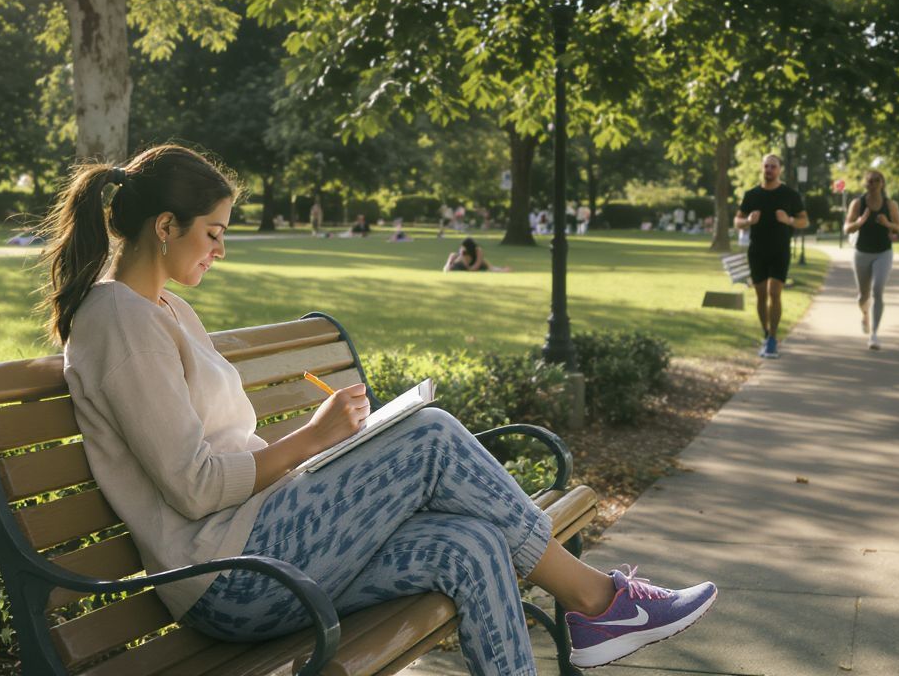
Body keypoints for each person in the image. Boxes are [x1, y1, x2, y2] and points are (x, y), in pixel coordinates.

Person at [39, 143, 717, 673]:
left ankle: (595, 610)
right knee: (428, 436)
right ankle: (596, 602)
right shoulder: (117, 321)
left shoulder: (165, 311)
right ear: (166, 226)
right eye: (212, 232)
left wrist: (335, 451)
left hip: (262, 542)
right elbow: (192, 488)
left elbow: (225, 453)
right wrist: (311, 440)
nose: (221, 248)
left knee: (471, 545)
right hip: (229, 580)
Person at [734, 154, 808, 359]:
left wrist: (789, 219)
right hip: (757, 251)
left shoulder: (790, 195)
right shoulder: (751, 195)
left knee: (774, 293)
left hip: (780, 251)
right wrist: (747, 220)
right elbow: (737, 221)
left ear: (780, 170)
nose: (769, 170)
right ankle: (766, 334)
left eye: (773, 167)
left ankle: (773, 339)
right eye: (766, 166)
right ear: (762, 168)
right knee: (761, 295)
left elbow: (804, 221)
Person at [843, 169, 899, 350]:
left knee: (878, 290)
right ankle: (865, 315)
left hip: (883, 253)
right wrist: (859, 223)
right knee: (863, 296)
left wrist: (888, 224)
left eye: (876, 180)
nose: (873, 184)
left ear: (882, 183)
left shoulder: (890, 204)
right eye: (870, 181)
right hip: (862, 253)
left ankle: (874, 334)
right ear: (865, 184)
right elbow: (847, 228)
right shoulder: (857, 203)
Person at [444, 236, 511, 273]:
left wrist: (470, 269)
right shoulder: (462, 252)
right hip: (461, 265)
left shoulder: (478, 250)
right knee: (453, 256)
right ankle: (447, 265)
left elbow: (477, 264)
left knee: (486, 263)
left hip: (474, 264)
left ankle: (500, 269)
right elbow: (465, 264)